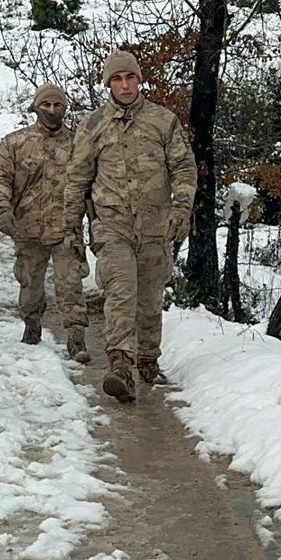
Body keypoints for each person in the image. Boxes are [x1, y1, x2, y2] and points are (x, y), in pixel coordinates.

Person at [64, 49, 197, 403]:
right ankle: (121, 366)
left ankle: (148, 361)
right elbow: (76, 181)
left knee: (149, 298)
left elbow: (184, 167)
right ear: (108, 84)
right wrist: (71, 229)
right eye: (117, 79)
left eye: (130, 78)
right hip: (112, 225)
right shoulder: (93, 125)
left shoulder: (162, 121)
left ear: (139, 80)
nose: (124, 85)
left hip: (155, 226)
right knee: (121, 293)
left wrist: (182, 206)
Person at [0, 83, 90, 363]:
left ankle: (76, 339)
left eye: (57, 105)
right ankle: (32, 327)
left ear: (65, 108)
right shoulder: (15, 143)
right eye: (46, 105)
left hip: (66, 228)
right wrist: (3, 210)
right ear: (35, 107)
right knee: (30, 284)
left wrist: (94, 221)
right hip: (27, 228)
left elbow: (91, 183)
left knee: (71, 285)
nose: (52, 110)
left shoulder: (79, 145)